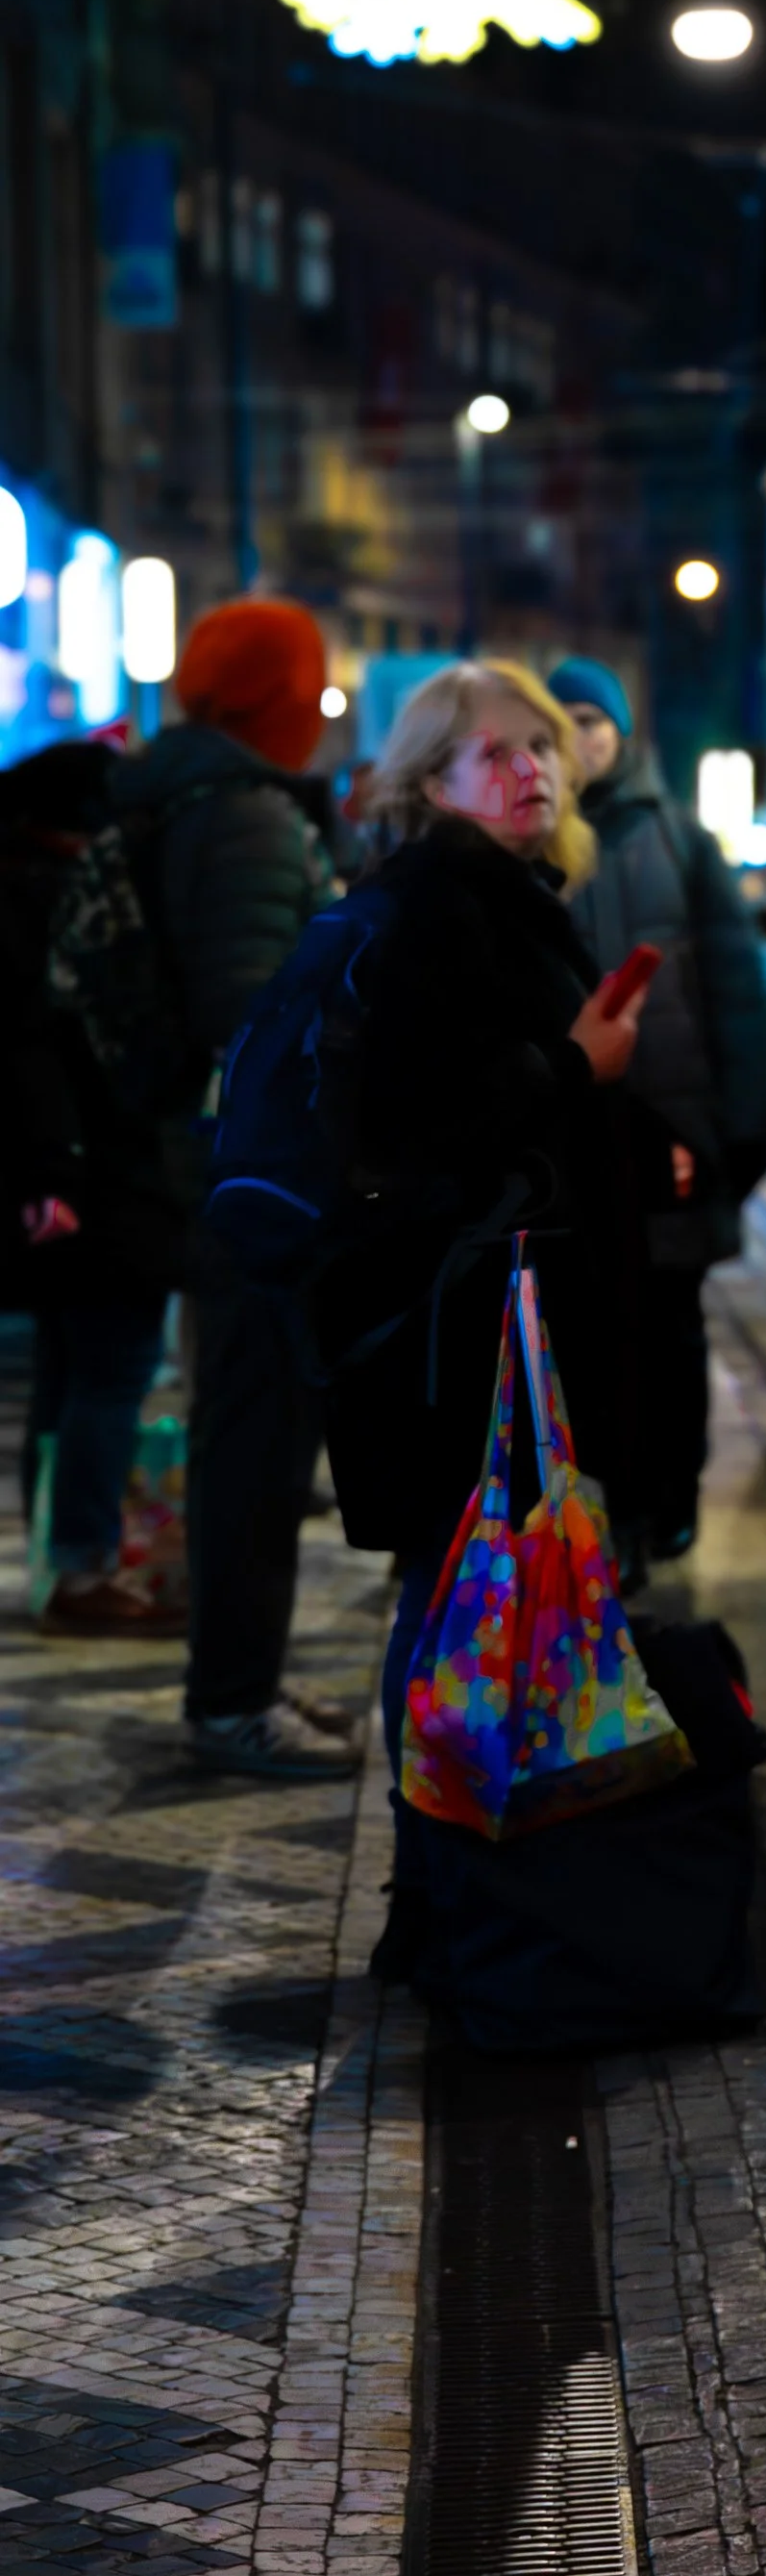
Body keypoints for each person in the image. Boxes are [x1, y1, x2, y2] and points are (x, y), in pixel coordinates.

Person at [309, 661, 654, 1938]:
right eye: (494, 753)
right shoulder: (433, 908)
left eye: (543, 746)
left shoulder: (504, 896)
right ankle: (450, 1897)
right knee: (458, 1599)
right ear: (432, 783)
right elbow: (419, 1120)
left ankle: (476, 1888)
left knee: (473, 1593)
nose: (531, 770)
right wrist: (575, 1060)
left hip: (495, 1315)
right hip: (461, 1326)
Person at [118, 597, 353, 1770]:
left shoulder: (175, 789)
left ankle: (242, 1679)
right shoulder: (250, 817)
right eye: (309, 688)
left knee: (245, 1435)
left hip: (201, 1166)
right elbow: (256, 1015)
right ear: (276, 698)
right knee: (258, 1439)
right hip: (252, 1179)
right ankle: (231, 1699)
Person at [549, 658, 766, 1564]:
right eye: (562, 723)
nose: (582, 739)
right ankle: (609, 1509)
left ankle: (670, 1498)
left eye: (592, 720)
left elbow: (736, 995)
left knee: (671, 1323)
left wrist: (739, 1127)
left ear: (621, 731)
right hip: (576, 1131)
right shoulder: (533, 844)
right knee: (592, 1330)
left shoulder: (680, 838)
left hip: (667, 1126)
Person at [0, 738, 185, 1634]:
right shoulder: (55, 897)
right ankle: (80, 1568)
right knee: (110, 1366)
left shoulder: (28, 883)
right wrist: (54, 1166)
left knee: (77, 1370)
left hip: (75, 1171)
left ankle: (60, 1556)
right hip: (97, 1172)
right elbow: (40, 1046)